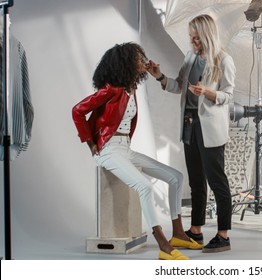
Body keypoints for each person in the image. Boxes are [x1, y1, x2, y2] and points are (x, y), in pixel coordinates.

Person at [72, 42, 202, 260]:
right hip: (109, 150)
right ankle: (163, 244)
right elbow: (77, 111)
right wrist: (90, 142)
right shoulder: (110, 90)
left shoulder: (130, 89)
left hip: (126, 149)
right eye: (138, 59)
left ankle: (178, 233)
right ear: (125, 64)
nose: (143, 61)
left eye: (143, 57)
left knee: (176, 177)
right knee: (145, 188)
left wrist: (156, 73)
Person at [146, 14, 236, 253]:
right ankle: (195, 231)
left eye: (196, 38)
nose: (192, 42)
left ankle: (223, 235)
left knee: (217, 181)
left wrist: (207, 92)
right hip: (189, 125)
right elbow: (178, 85)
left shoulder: (224, 60)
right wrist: (159, 76)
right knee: (196, 182)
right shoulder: (190, 57)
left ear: (207, 36)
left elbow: (228, 95)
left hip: (210, 129)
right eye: (191, 37)